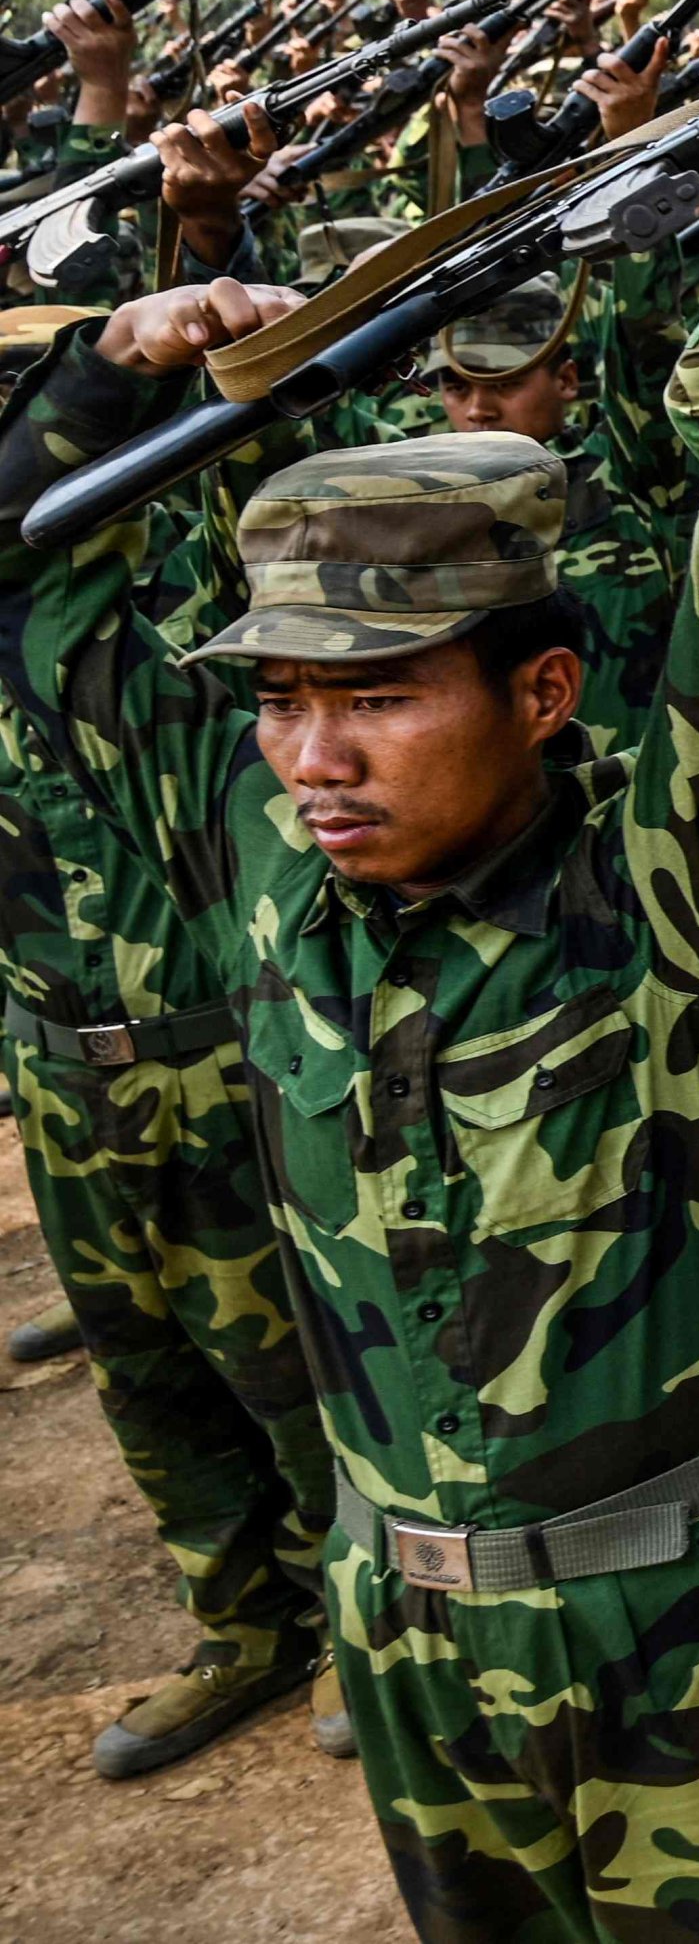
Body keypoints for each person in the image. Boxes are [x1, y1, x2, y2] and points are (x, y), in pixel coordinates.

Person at [0, 0, 699, 1938]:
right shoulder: (262, 879)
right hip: (405, 1640)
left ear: (541, 692)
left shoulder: (661, 881)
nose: (312, 756)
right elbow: (41, 562)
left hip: (679, 1645)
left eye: (373, 697)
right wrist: (132, 346)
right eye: (278, 702)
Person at [0, 123, 340, 1783]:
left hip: (204, 1052)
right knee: (146, 1377)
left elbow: (51, 498)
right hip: (57, 1068)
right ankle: (244, 1628)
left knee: (280, 1359)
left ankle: (360, 1613)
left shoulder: (83, 633)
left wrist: (141, 325)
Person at [425, 274, 683, 742]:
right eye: (457, 388)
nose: (478, 409)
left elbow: (646, 342)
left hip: (639, 798)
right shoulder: (421, 504)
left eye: (505, 383)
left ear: (566, 380)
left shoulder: (629, 473)